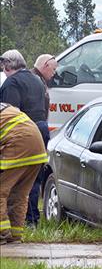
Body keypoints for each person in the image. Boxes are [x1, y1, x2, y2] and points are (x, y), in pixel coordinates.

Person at [0, 50, 47, 227]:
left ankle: (3, 233)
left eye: (4, 65)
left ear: (9, 64)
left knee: (3, 190)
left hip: (17, 138)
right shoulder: (36, 80)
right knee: (25, 189)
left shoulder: (11, 83)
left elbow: (11, 114)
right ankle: (28, 224)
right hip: (38, 136)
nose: (3, 69)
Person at [0, 103, 48, 244]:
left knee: (1, 191)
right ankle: (15, 235)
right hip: (37, 149)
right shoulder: (5, 107)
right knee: (19, 194)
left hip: (19, 144)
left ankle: (2, 234)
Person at [25, 54, 58, 225]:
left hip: (35, 132)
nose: (54, 74)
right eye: (53, 69)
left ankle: (30, 218)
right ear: (45, 65)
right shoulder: (35, 82)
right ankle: (31, 219)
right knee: (34, 178)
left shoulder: (36, 81)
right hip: (35, 133)